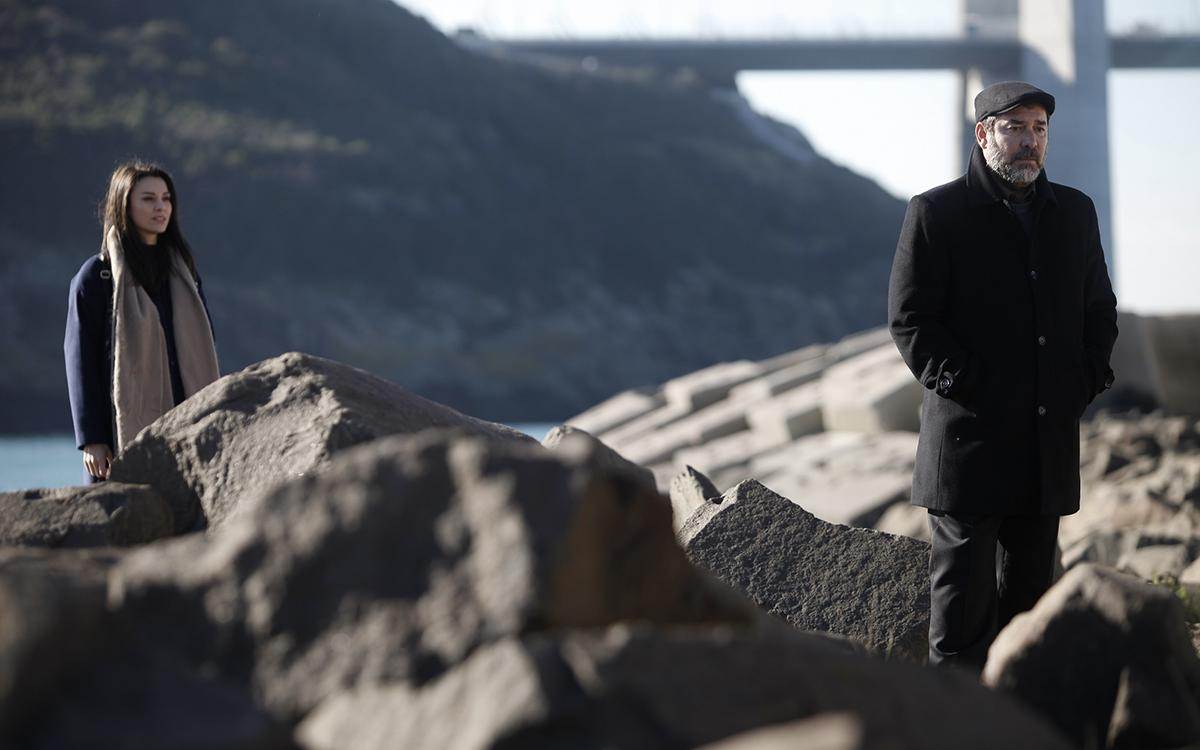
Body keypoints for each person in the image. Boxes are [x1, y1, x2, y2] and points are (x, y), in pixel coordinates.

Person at [887, 81, 1118, 671]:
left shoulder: (1075, 213)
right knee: (959, 632)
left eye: (1039, 129)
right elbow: (911, 320)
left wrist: (1083, 382)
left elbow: (1099, 310)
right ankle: (957, 719)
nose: (1030, 141)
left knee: (1031, 629)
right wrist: (970, 386)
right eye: (1015, 128)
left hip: (1045, 449)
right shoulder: (936, 212)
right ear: (984, 134)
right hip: (969, 450)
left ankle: (1020, 719)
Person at [64, 161, 220, 482]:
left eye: (166, 198)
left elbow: (204, 345)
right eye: (148, 199)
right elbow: (80, 360)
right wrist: (91, 439)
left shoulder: (185, 274)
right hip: (118, 431)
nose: (161, 207)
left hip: (189, 425)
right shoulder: (97, 276)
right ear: (124, 205)